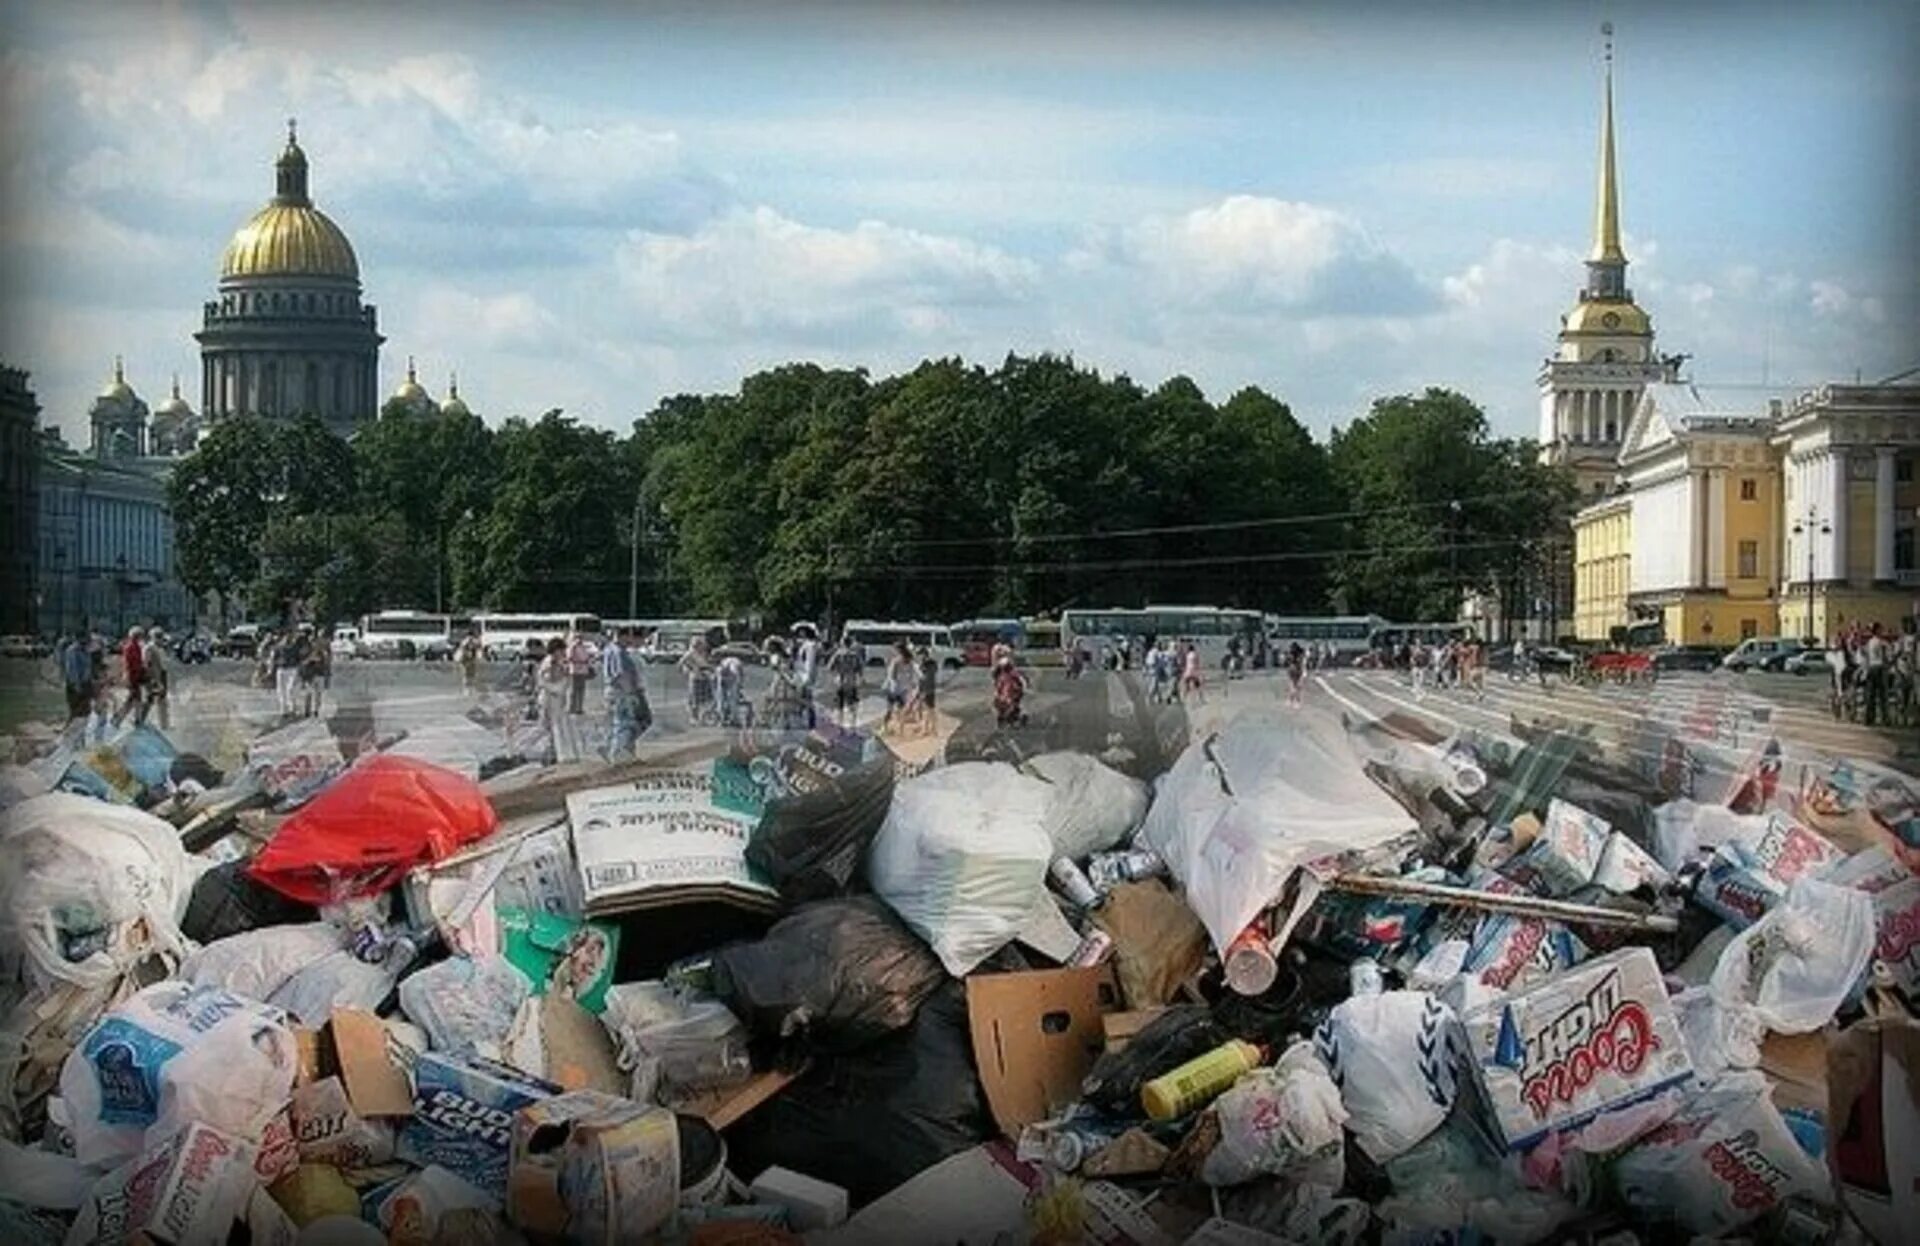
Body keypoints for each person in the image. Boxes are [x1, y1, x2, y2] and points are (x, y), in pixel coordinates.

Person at [602, 626, 651, 759]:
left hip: (614, 690)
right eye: (628, 637)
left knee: (623, 722)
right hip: (621, 692)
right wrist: (630, 693)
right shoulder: (619, 652)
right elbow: (621, 675)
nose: (629, 640)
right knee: (625, 722)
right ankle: (617, 751)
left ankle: (621, 750)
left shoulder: (609, 649)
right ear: (623, 636)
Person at [538, 638, 584, 763]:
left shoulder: (558, 662)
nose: (564, 652)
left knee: (559, 727)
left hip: (557, 698)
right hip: (551, 699)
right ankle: (559, 756)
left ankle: (558, 755)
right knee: (554, 727)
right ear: (556, 650)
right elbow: (546, 681)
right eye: (562, 650)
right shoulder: (549, 662)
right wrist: (560, 685)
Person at [111, 626, 148, 727]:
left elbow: (138, 662)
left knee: (134, 699)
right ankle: (121, 719)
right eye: (140, 635)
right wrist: (129, 677)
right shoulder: (130, 647)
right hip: (132, 676)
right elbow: (128, 663)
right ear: (136, 636)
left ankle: (132, 718)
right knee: (134, 699)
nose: (141, 638)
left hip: (136, 676)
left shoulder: (136, 647)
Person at [790, 624, 821, 729]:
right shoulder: (806, 645)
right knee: (803, 699)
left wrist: (807, 678)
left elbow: (810, 662)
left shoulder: (810, 646)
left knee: (806, 699)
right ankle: (805, 720)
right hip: (801, 675)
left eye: (802, 632)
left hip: (805, 676)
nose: (799, 634)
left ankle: (809, 722)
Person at [679, 637, 715, 725]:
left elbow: (707, 664)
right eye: (701, 645)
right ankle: (694, 718)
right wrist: (688, 670)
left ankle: (704, 717)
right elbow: (680, 664)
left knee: (706, 699)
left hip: (705, 678)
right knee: (695, 699)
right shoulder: (690, 653)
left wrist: (711, 669)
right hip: (695, 678)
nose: (703, 646)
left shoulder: (703, 653)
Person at [830, 633, 863, 727]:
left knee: (840, 704)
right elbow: (860, 668)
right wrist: (859, 677)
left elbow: (830, 666)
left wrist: (837, 671)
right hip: (852, 681)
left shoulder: (838, 654)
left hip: (840, 680)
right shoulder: (855, 655)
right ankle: (852, 723)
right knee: (852, 703)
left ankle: (840, 723)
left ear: (842, 643)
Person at [274, 626, 308, 716]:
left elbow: (300, 657)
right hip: (281, 669)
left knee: (290, 689)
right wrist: (274, 665)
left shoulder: (295, 646)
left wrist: (301, 666)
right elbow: (274, 658)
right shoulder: (278, 646)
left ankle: (292, 707)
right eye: (286, 635)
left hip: (292, 669)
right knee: (281, 690)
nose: (288, 637)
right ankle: (283, 709)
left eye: (290, 635)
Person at [141, 628, 171, 730]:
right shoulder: (149, 648)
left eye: (161, 636)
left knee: (162, 698)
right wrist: (152, 678)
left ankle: (164, 724)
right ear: (153, 637)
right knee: (149, 698)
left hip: (162, 674)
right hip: (154, 676)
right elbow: (146, 664)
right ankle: (140, 719)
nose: (160, 639)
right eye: (158, 636)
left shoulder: (161, 648)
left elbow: (163, 663)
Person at [59, 632, 92, 723]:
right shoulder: (72, 651)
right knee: (75, 710)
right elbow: (72, 670)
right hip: (75, 685)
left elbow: (88, 667)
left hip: (85, 684)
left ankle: (81, 733)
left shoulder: (86, 650)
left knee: (85, 711)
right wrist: (77, 685)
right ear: (79, 639)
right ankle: (68, 729)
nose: (89, 641)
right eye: (87, 638)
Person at [1865, 622, 1892, 727]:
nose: (1883, 631)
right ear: (1877, 631)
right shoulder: (1882, 643)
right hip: (1880, 669)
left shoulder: (1870, 642)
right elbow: (1886, 658)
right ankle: (1885, 719)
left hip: (1872, 668)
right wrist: (1888, 665)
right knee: (1883, 696)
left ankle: (1869, 718)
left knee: (1871, 695)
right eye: (1881, 629)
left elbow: (1867, 656)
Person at [882, 640, 912, 734]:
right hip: (904, 688)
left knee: (889, 709)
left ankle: (885, 728)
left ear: (898, 650)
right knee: (901, 710)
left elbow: (892, 675)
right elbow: (910, 675)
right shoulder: (909, 660)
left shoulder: (896, 661)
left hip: (894, 688)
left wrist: (886, 684)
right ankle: (901, 730)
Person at [565, 631, 595, 715]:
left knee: (581, 690)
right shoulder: (572, 647)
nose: (579, 639)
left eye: (580, 637)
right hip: (574, 671)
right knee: (573, 690)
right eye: (577, 637)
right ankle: (571, 707)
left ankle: (579, 708)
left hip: (583, 671)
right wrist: (579, 661)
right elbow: (569, 658)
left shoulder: (584, 647)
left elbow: (587, 657)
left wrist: (587, 661)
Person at [717, 650, 748, 728]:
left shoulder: (726, 660)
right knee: (733, 700)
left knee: (722, 699)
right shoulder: (737, 662)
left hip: (723, 677)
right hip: (731, 678)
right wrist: (739, 684)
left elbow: (721, 671)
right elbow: (737, 673)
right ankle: (734, 719)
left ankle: (722, 719)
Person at [993, 655, 1027, 727]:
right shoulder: (1000, 675)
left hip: (1013, 692)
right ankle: (1004, 718)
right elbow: (998, 684)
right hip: (1004, 692)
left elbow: (1021, 680)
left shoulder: (1013, 673)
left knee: (1012, 705)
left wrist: (1022, 688)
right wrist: (997, 692)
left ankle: (1017, 717)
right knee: (1001, 705)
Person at [456, 629, 482, 695]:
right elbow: (462, 648)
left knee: (470, 675)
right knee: (468, 675)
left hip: (470, 660)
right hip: (466, 660)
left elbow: (478, 648)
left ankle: (470, 689)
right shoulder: (467, 641)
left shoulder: (473, 641)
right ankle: (468, 689)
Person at [1180, 640, 1203, 704]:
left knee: (1186, 686)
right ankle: (1200, 699)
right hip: (1194, 672)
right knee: (1197, 686)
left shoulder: (1187, 655)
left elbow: (1185, 663)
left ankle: (1183, 698)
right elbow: (1198, 663)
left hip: (1188, 671)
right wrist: (1199, 672)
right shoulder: (1196, 654)